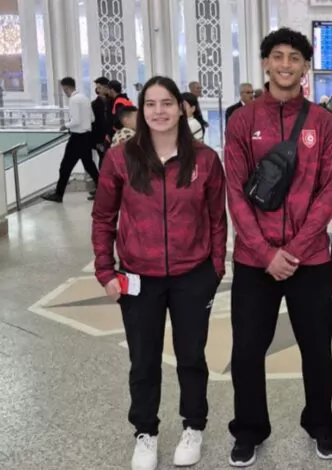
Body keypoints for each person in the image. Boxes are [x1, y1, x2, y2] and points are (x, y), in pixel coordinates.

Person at [91, 76, 227, 470]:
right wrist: (105, 270)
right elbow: (103, 217)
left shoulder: (204, 159)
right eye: (150, 104)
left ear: (181, 109)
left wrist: (216, 268)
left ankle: (194, 426)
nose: (159, 111)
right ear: (140, 110)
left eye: (167, 103)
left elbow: (217, 218)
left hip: (192, 275)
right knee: (143, 359)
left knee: (191, 356)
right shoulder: (121, 158)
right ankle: (145, 432)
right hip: (139, 277)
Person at [224, 27, 332, 466]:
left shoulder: (323, 122)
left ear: (306, 66)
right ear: (265, 63)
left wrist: (294, 248)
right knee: (247, 350)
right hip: (254, 260)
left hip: (309, 259)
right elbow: (236, 192)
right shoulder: (242, 121)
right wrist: (264, 252)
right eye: (278, 56)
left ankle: (321, 424)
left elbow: (329, 191)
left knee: (317, 347)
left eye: (295, 57)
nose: (286, 64)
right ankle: (249, 429)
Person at [41, 77, 100, 203]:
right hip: (86, 137)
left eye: (64, 90)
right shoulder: (84, 98)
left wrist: (65, 125)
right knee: (90, 166)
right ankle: (104, 190)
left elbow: (76, 121)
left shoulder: (73, 100)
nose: (64, 92)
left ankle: (58, 194)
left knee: (65, 167)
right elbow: (92, 119)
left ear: (66, 88)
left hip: (77, 138)